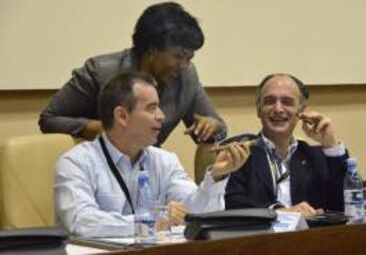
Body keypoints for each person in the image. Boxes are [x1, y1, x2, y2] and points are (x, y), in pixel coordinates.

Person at [54, 72, 249, 237]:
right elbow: (81, 221)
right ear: (122, 116)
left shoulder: (164, 160)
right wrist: (153, 220)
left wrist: (216, 176)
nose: (162, 116)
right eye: (152, 108)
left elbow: (197, 214)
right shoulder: (76, 163)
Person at [39, 2, 226, 145]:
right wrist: (106, 130)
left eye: (189, 58)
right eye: (178, 56)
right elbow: (49, 120)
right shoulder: (99, 72)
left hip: (149, 170)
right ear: (152, 50)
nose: (184, 65)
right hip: (98, 168)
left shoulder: (186, 77)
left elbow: (219, 128)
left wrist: (213, 127)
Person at [224, 73, 349, 217]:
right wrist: (278, 213)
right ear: (258, 109)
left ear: (300, 111)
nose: (278, 109)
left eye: (287, 102)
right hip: (258, 238)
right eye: (270, 101)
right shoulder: (239, 153)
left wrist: (330, 145)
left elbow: (343, 204)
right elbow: (230, 205)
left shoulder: (314, 156)